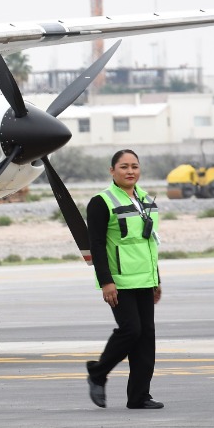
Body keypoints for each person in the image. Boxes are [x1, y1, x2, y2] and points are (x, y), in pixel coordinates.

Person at [85, 148, 164, 410]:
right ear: (112, 171)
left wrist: (156, 279)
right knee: (131, 330)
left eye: (134, 166)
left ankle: (139, 396)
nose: (130, 171)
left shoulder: (146, 200)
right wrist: (106, 281)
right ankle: (98, 372)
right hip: (119, 281)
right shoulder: (101, 202)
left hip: (144, 279)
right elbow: (96, 245)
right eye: (124, 167)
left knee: (146, 338)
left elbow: (150, 244)